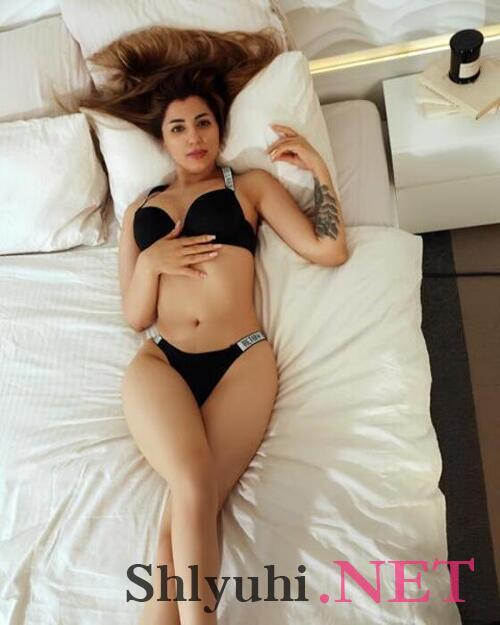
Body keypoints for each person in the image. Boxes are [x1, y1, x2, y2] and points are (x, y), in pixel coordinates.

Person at [80, 25, 348, 625]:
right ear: (163, 140)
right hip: (161, 362)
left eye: (203, 123)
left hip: (242, 361)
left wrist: (318, 168)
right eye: (178, 127)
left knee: (189, 504)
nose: (193, 136)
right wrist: (153, 262)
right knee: (194, 490)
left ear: (219, 130)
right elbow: (135, 315)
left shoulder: (250, 187)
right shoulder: (139, 212)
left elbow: (328, 249)